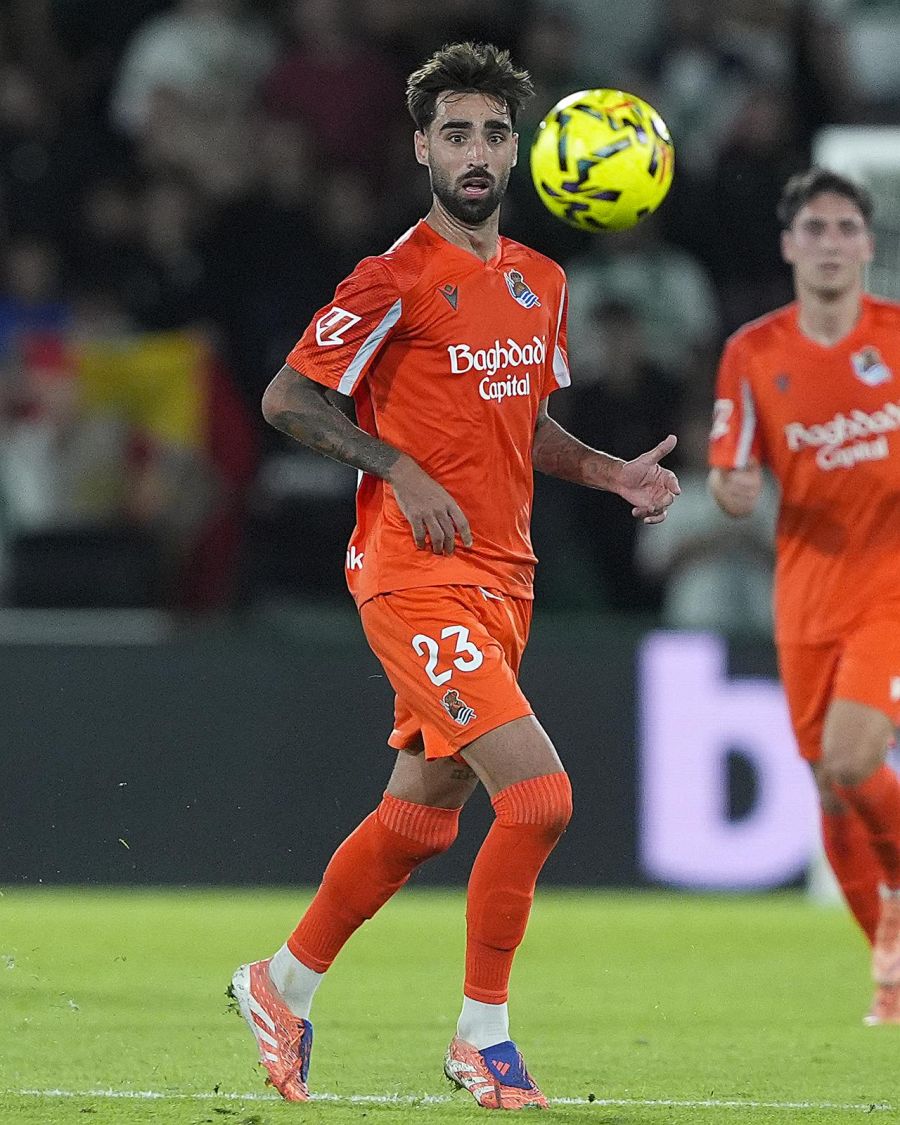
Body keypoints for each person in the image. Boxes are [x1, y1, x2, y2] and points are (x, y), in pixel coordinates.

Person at [228, 42, 680, 1107]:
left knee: (424, 816)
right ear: (422, 146)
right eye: (456, 133)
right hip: (411, 572)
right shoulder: (391, 279)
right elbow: (288, 400)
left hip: (504, 579)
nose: (476, 152)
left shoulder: (540, 280)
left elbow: (524, 423)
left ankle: (280, 982)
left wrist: (610, 473)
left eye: (492, 133)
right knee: (539, 796)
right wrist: (396, 467)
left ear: (518, 152)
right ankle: (482, 1035)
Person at [708, 167, 900, 1025]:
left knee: (856, 759)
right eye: (813, 228)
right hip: (806, 593)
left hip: (889, 588)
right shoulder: (754, 351)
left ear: (867, 243)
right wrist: (733, 492)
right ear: (789, 245)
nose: (829, 243)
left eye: (844, 228)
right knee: (829, 785)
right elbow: (730, 470)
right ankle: (888, 964)